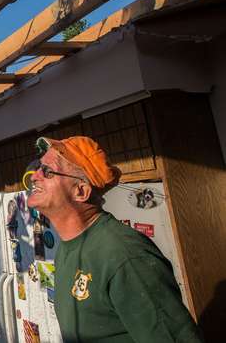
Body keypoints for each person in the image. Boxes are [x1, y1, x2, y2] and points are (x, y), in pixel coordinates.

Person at [25, 136, 201, 342]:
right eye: (39, 167)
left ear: (80, 191)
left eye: (47, 171)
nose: (34, 176)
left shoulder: (125, 254)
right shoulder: (67, 248)